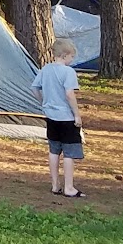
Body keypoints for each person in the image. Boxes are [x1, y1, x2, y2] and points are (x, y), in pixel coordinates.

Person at [33, 38, 86, 198]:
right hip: (66, 118)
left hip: (51, 117)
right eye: (71, 57)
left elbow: (34, 88)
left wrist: (44, 102)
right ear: (64, 55)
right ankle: (69, 187)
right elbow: (69, 94)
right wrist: (77, 114)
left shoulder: (46, 69)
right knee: (69, 152)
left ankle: (55, 185)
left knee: (54, 150)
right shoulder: (68, 72)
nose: (72, 60)